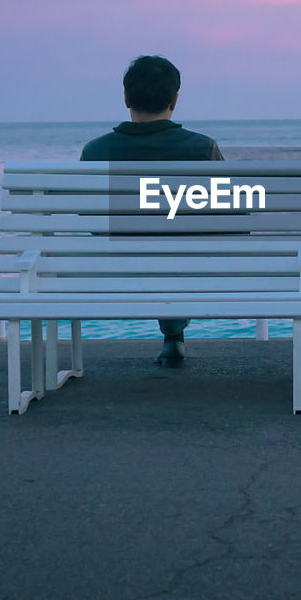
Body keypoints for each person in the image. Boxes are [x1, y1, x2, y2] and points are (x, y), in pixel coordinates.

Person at [80, 55, 224, 367]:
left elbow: (89, 219)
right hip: (190, 265)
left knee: (157, 252)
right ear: (174, 100)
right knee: (179, 251)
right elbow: (229, 215)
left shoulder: (95, 152)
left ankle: (173, 337)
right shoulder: (202, 149)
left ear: (126, 98)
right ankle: (174, 335)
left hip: (116, 267)